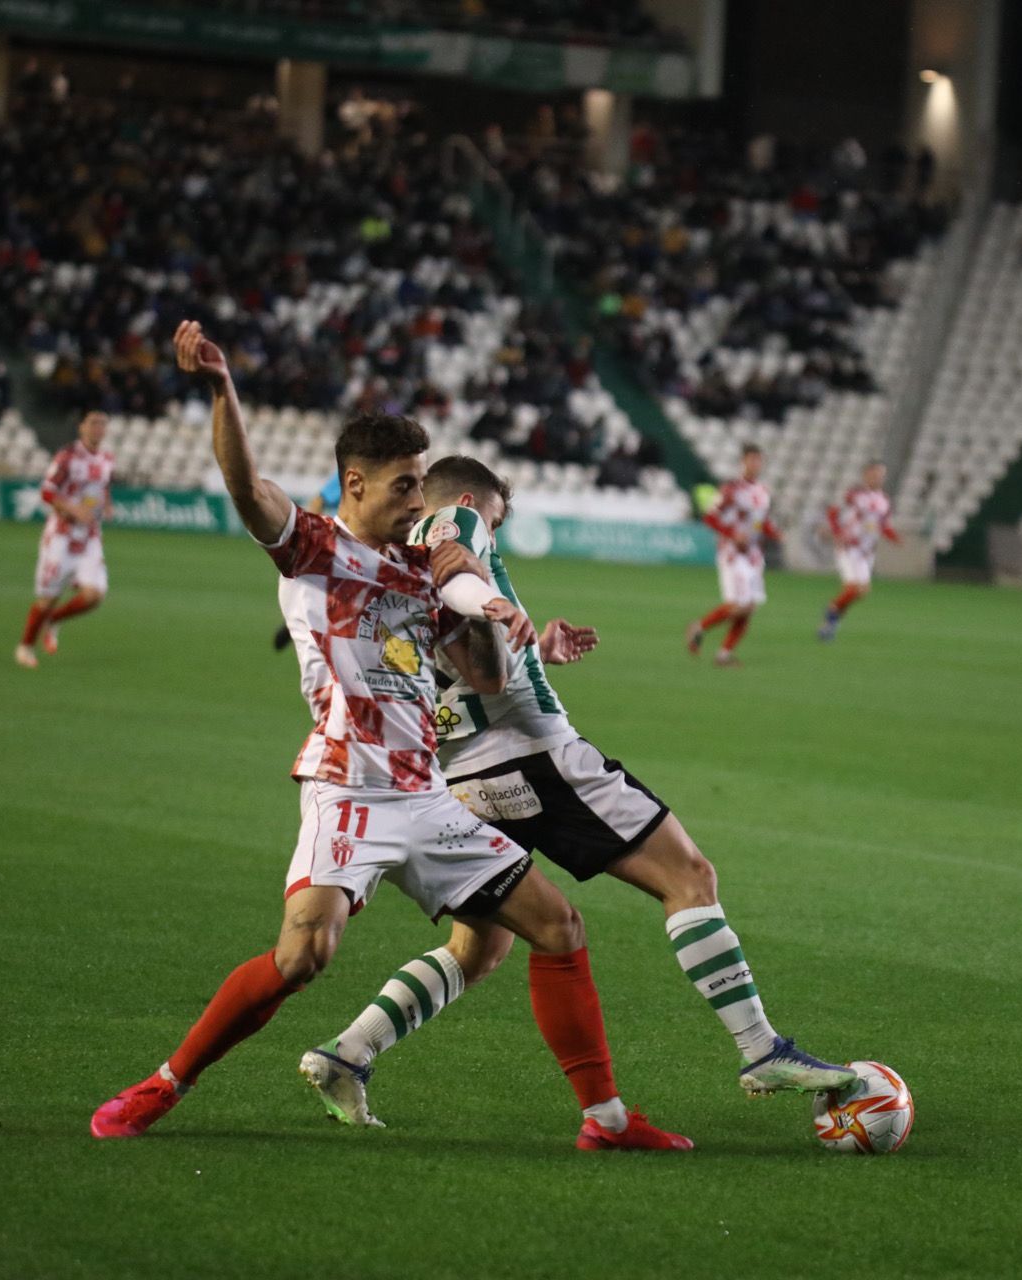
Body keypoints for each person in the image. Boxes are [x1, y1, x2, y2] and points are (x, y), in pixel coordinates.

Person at [89, 322, 690, 1152]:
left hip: (425, 794)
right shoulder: (314, 550)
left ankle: (606, 1120)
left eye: (423, 488)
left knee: (559, 927)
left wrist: (498, 618)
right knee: (304, 956)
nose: (419, 503)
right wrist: (223, 387)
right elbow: (242, 483)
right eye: (407, 487)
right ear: (356, 484)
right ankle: (165, 1084)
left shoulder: (420, 571)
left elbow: (480, 675)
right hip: (347, 788)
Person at [302, 455, 855, 1129]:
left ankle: (348, 1052)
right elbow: (456, 572)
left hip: (464, 776)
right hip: (536, 754)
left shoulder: (391, 559)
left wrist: (535, 648)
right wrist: (497, 600)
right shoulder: (455, 519)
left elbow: (455, 643)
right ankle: (760, 1048)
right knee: (689, 876)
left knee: (478, 950)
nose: (492, 533)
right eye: (497, 520)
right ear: (475, 500)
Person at [16, 410, 112, 669]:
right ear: (81, 427)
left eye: (102, 424)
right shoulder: (67, 457)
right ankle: (25, 646)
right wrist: (73, 509)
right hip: (62, 537)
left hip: (90, 537)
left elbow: (101, 489)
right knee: (47, 598)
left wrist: (107, 506)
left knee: (94, 595)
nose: (98, 429)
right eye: (93, 423)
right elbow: (47, 492)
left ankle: (54, 620)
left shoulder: (106, 459)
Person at [687, 444, 778, 667]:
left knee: (749, 607)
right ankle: (699, 627)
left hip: (754, 555)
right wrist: (732, 534)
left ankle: (724, 655)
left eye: (759, 460)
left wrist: (773, 532)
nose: (755, 464)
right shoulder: (731, 489)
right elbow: (710, 517)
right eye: (751, 460)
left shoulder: (763, 491)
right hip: (733, 554)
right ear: (743, 462)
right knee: (738, 605)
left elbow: (760, 521)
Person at [819, 461, 901, 642]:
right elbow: (833, 512)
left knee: (861, 592)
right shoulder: (854, 494)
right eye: (875, 474)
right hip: (850, 547)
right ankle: (831, 616)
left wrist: (895, 538)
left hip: (866, 552)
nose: (879, 477)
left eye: (881, 474)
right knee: (854, 588)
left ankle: (832, 618)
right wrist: (837, 533)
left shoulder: (884, 500)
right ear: (866, 475)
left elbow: (883, 525)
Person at [272, 467, 342, 652]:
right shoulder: (354, 470)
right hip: (339, 546)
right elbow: (320, 500)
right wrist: (308, 536)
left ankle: (298, 622)